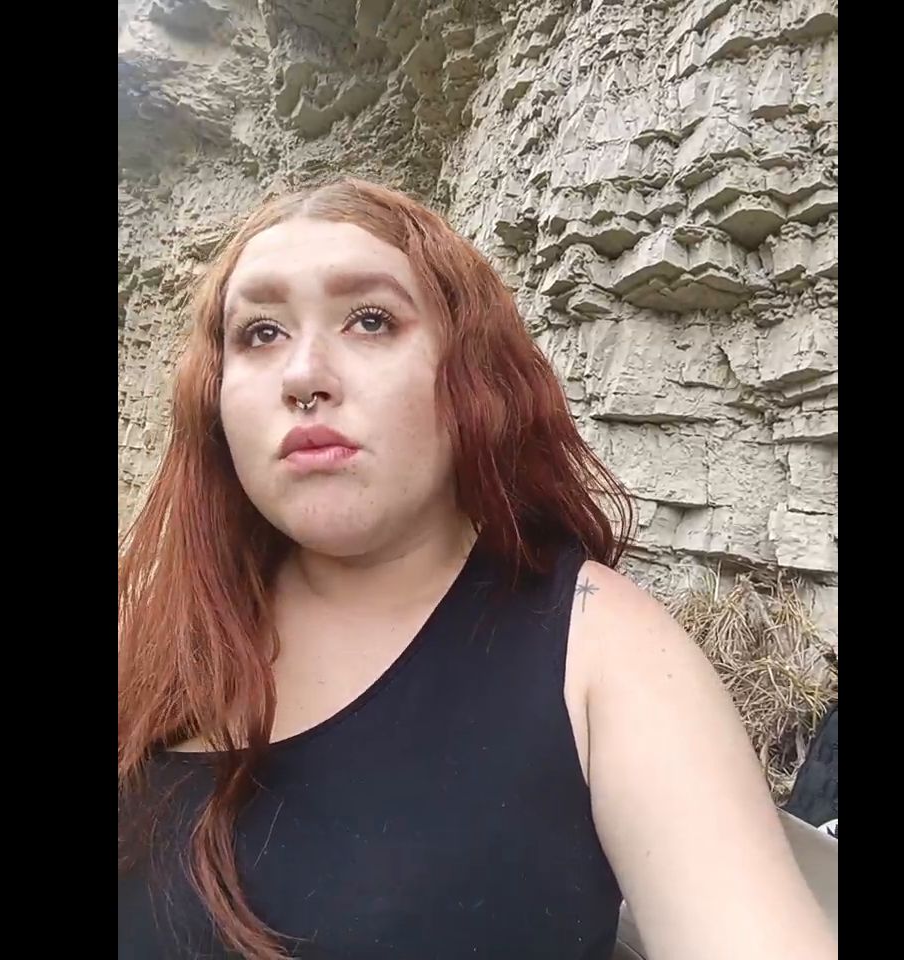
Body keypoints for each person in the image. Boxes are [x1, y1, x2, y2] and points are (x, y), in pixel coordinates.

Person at [118, 178, 836, 960]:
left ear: (472, 374)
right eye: (260, 332)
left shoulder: (599, 651)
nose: (303, 374)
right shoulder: (149, 637)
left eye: (370, 320)